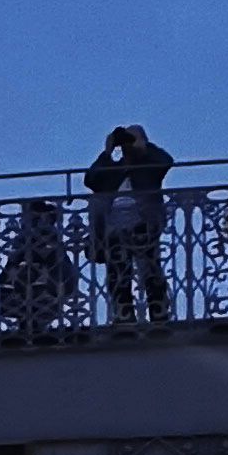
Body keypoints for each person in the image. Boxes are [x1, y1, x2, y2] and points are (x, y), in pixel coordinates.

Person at [85, 125, 175, 325]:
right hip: (116, 228)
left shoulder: (149, 167)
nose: (127, 145)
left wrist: (144, 146)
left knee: (151, 271)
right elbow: (91, 179)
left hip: (143, 224)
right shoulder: (113, 170)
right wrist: (107, 151)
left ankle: (159, 314)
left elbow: (166, 162)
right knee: (118, 273)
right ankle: (124, 316)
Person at [0, 195, 74, 337]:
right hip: (28, 284)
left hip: (47, 282)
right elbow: (11, 265)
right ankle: (29, 322)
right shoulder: (24, 238)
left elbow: (54, 259)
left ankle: (33, 322)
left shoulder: (49, 237)